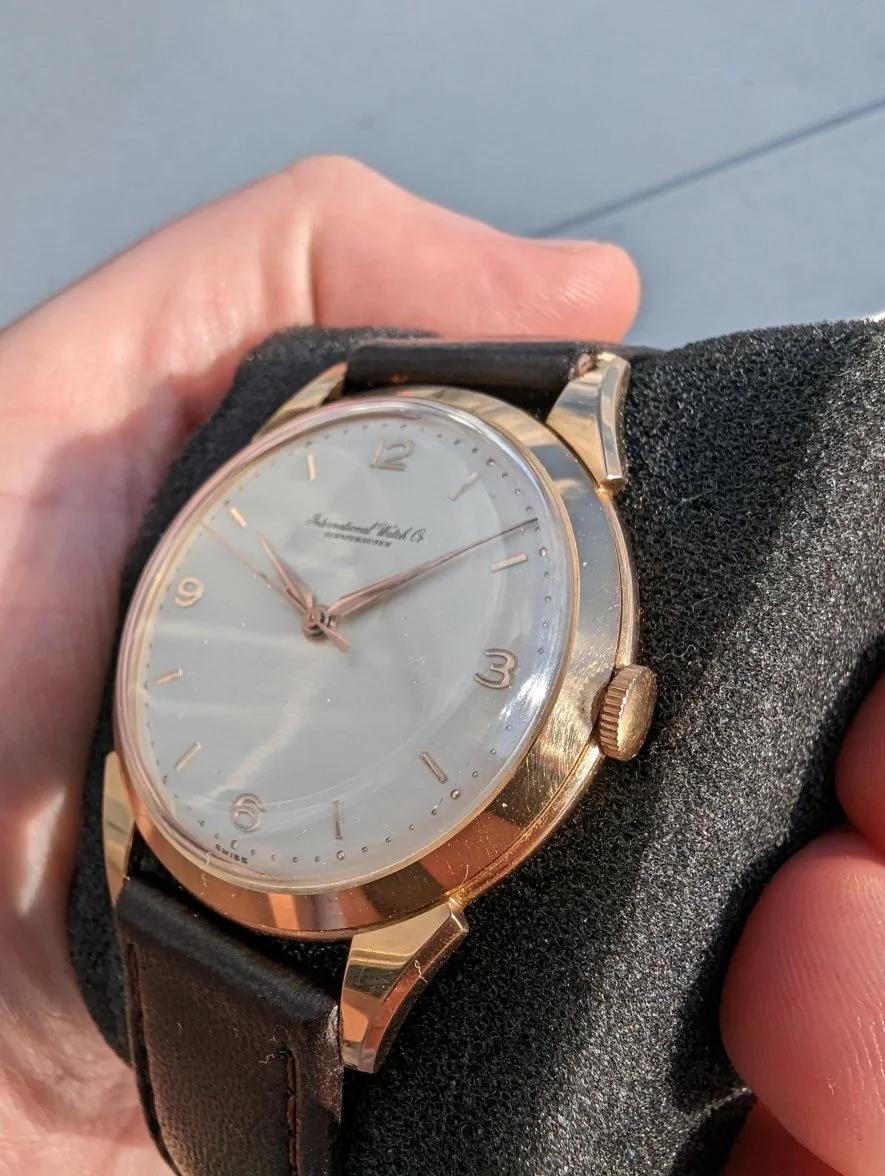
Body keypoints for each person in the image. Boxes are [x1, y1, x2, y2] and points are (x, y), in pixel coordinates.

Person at [0, 156, 880, 1176]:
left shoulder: (558, 467)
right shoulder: (344, 417)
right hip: (185, 844)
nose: (323, 615)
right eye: (319, 608)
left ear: (614, 708)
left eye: (328, 610)